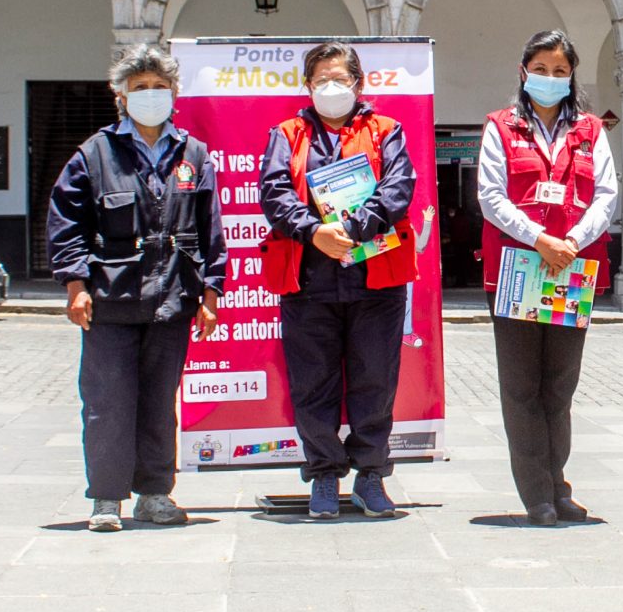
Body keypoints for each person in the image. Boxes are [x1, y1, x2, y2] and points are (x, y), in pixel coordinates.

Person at [47, 44, 225, 531]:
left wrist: (210, 295)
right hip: (110, 301)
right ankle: (106, 500)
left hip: (172, 300)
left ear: (174, 93)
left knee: (158, 402)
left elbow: (211, 230)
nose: (150, 95)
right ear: (121, 96)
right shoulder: (94, 153)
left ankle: (154, 494)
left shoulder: (193, 154)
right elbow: (67, 225)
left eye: (159, 87)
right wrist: (75, 285)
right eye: (140, 88)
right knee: (107, 402)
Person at [259, 42, 419, 520]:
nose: (331, 88)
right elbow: (273, 192)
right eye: (321, 79)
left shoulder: (386, 130)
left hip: (376, 280)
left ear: (358, 83)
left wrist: (351, 228)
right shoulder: (286, 134)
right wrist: (314, 232)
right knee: (313, 384)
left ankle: (370, 476)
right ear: (308, 86)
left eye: (340, 79)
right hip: (308, 280)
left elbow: (399, 188)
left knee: (375, 380)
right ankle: (325, 474)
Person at [477, 30, 620, 527]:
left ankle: (558, 485)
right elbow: (490, 196)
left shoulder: (589, 130)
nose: (550, 78)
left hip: (572, 271)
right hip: (519, 269)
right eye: (541, 69)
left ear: (572, 76)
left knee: (559, 386)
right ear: (524, 72)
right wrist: (540, 239)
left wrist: (573, 242)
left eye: (560, 71)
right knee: (521, 387)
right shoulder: (501, 127)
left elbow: (606, 194)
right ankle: (536, 493)